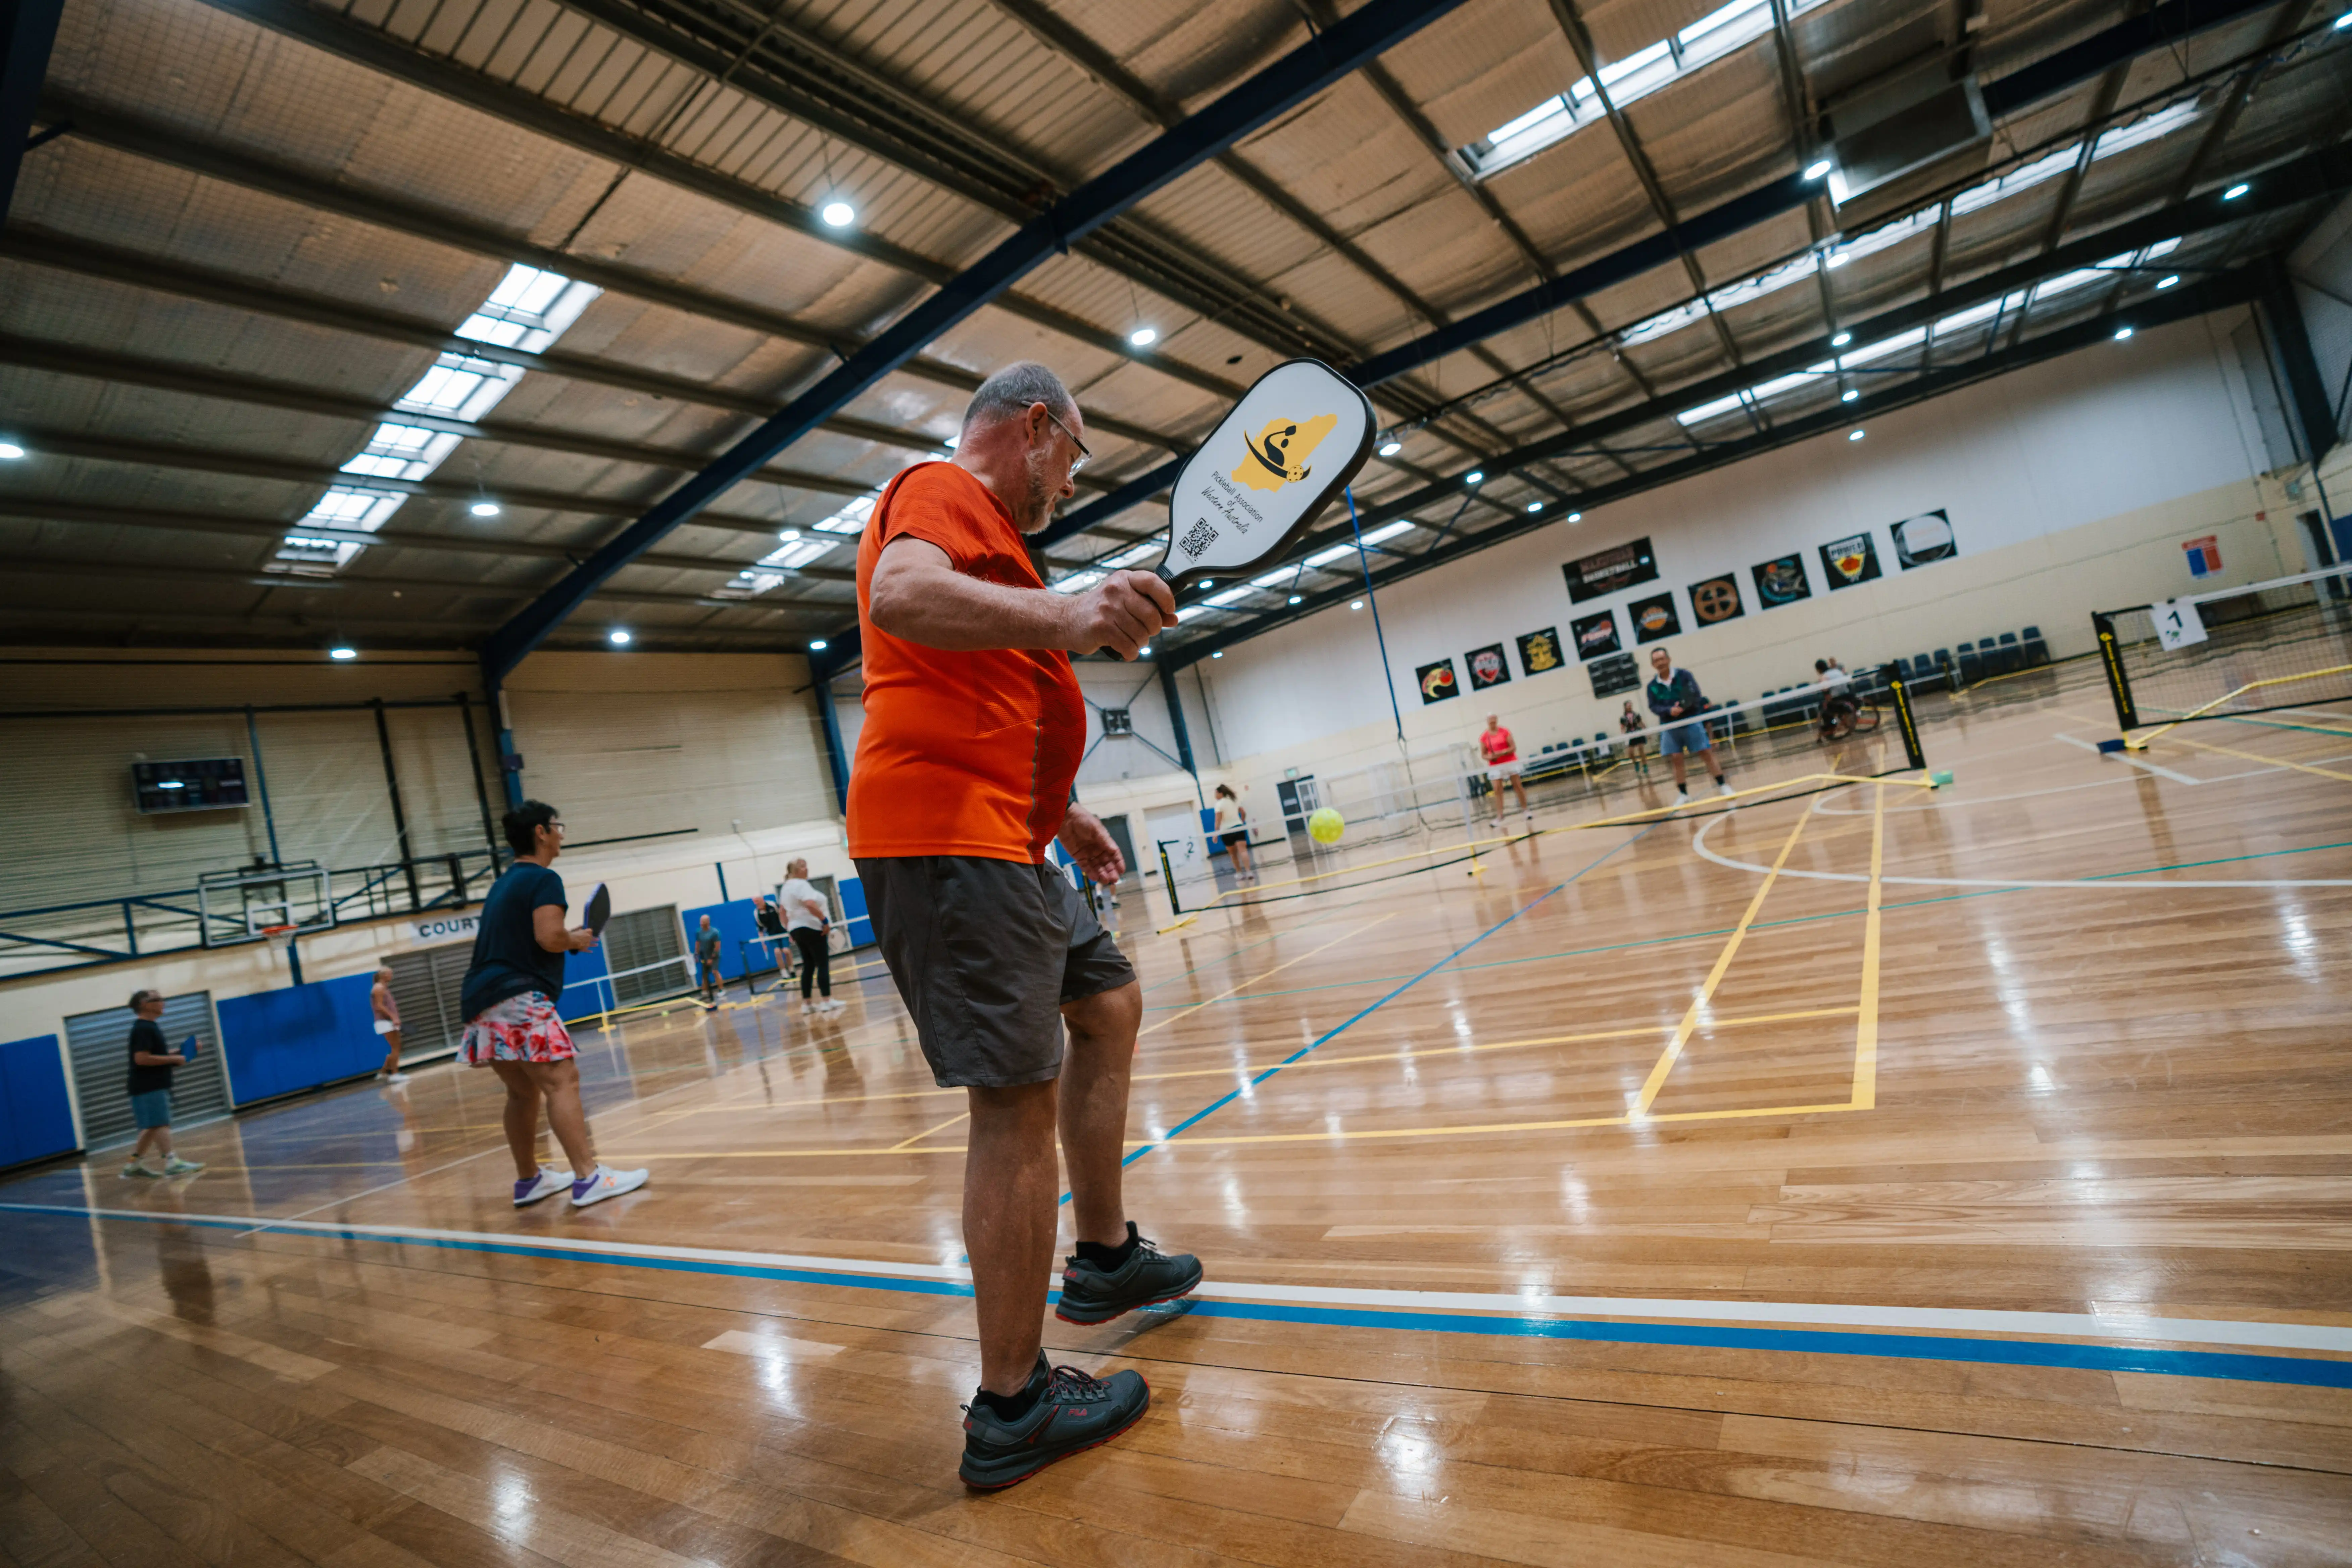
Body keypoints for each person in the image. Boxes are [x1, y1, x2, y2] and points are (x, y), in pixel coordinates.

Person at [851, 361, 1201, 1489]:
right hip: (946, 840)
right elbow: (898, 597)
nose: (1071, 478)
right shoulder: (942, 489)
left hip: (1011, 835)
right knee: (1011, 1102)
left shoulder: (999, 549)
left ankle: (1099, 1258)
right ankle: (1009, 1405)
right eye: (1076, 453)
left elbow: (986, 699)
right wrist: (1067, 610)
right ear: (1036, 429)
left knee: (1107, 1003)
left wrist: (1071, 814)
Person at [458, 800, 648, 1211]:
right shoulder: (544, 879)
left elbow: (534, 937)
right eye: (558, 826)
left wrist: (568, 937)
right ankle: (589, 1177)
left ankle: (530, 1180)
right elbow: (548, 937)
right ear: (542, 832)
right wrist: (574, 939)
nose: (562, 833)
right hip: (517, 994)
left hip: (481, 998)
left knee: (522, 1092)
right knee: (562, 1080)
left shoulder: (505, 883)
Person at [121, 989, 202, 1178]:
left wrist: (182, 1052)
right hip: (149, 1085)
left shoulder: (148, 1027)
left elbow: (154, 1055)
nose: (163, 1002)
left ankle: (133, 1166)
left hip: (147, 1085)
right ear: (145, 1005)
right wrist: (174, 1060)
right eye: (158, 999)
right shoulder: (144, 1028)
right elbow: (141, 1059)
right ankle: (173, 1163)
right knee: (160, 1124)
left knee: (151, 1128)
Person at [1647, 646, 1735, 806]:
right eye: (1656, 661)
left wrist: (1683, 707)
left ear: (1669, 659)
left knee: (1706, 753)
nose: (1660, 663)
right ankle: (1683, 794)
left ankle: (1723, 785)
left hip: (1691, 721)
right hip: (1670, 726)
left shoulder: (1684, 676)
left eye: (1662, 659)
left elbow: (1696, 695)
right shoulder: (1652, 686)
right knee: (1676, 759)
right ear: (1653, 665)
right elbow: (1654, 707)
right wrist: (1668, 710)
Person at [779, 859, 840, 1015]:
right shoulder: (801, 884)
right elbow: (811, 905)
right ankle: (827, 1001)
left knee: (808, 966)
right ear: (795, 871)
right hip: (812, 927)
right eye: (803, 867)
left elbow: (782, 912)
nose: (807, 869)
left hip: (796, 929)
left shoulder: (786, 887)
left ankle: (807, 1004)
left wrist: (789, 930)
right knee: (822, 964)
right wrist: (825, 921)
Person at [1478, 713, 1531, 824]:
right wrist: (1491, 757)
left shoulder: (1505, 731)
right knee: (1497, 789)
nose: (1493, 723)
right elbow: (1483, 755)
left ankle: (1526, 810)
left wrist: (1502, 752)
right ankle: (1500, 816)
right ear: (1487, 722)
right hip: (1496, 766)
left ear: (1497, 720)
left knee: (1517, 785)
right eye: (1490, 721)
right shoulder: (1484, 737)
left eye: (1494, 721)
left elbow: (1513, 747)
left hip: (1510, 762)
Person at [371, 963, 408, 1084]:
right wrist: (393, 1018)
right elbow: (379, 1006)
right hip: (385, 1022)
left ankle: (383, 1074)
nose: (392, 976)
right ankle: (395, 1075)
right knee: (396, 1047)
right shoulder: (379, 988)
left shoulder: (382, 987)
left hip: (387, 1022)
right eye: (390, 973)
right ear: (384, 975)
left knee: (395, 1048)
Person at [1212, 784, 1254, 883]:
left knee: (1233, 854)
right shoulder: (1234, 800)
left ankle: (1239, 873)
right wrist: (1242, 823)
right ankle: (1249, 872)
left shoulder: (1219, 804)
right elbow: (1243, 812)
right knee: (1243, 851)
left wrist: (1216, 834)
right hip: (1238, 828)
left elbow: (1218, 820)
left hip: (1227, 831)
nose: (1215, 796)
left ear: (1220, 793)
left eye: (1216, 794)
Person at [1814, 657, 1858, 737]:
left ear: (1819, 670)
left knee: (1823, 707)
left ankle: (1830, 725)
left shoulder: (1824, 677)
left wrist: (1827, 700)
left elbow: (1826, 691)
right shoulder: (1837, 671)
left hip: (1838, 701)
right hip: (1849, 696)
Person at [694, 914, 725, 1009]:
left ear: (708, 922)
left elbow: (718, 946)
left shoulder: (715, 932)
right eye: (701, 922)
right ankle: (705, 992)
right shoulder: (699, 932)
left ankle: (721, 990)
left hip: (714, 955)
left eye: (703, 922)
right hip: (704, 956)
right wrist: (697, 954)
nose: (701, 924)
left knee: (715, 972)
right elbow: (698, 943)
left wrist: (712, 958)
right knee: (705, 974)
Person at [1619, 700, 1650, 777]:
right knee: (1631, 753)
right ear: (1625, 707)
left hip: (1638, 733)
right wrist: (1624, 735)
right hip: (1630, 735)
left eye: (1631, 706)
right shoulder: (1623, 718)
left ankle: (1645, 766)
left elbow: (1641, 723)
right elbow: (1622, 728)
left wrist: (1647, 732)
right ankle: (1636, 762)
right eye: (1628, 706)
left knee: (1641, 750)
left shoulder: (1636, 715)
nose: (1630, 707)